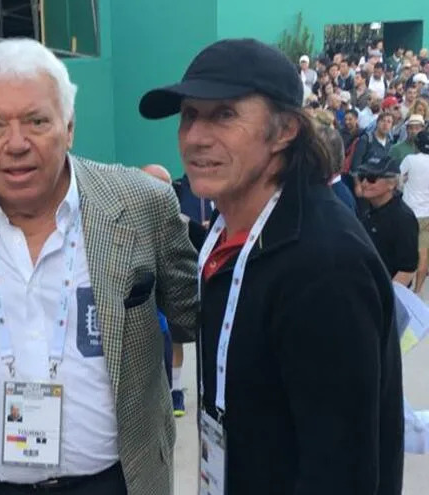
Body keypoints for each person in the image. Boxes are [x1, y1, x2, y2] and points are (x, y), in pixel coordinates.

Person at [0, 38, 199, 495]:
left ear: (68, 127)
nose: (16, 143)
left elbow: (194, 313)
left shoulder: (142, 203)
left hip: (117, 482)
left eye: (36, 121)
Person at [139, 38, 403, 494]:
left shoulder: (323, 264)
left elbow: (340, 470)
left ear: (285, 131)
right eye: (190, 115)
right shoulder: (235, 233)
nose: (197, 136)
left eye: (224, 114)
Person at [141, 164, 190, 418]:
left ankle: (176, 391)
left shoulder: (178, 223)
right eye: (156, 185)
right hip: (137, 319)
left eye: (167, 186)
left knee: (174, 341)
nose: (163, 192)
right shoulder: (122, 222)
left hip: (165, 316)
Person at [356, 156, 418, 286]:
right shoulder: (367, 207)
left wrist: (387, 298)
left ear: (391, 184)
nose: (364, 183)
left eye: (372, 178)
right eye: (362, 176)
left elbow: (407, 270)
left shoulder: (403, 218)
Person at [400, 130, 429, 293]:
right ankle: (417, 292)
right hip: (426, 213)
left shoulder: (410, 159)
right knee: (423, 253)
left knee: (408, 253)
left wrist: (403, 184)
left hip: (409, 212)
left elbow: (397, 177)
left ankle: (403, 291)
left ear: (416, 145)